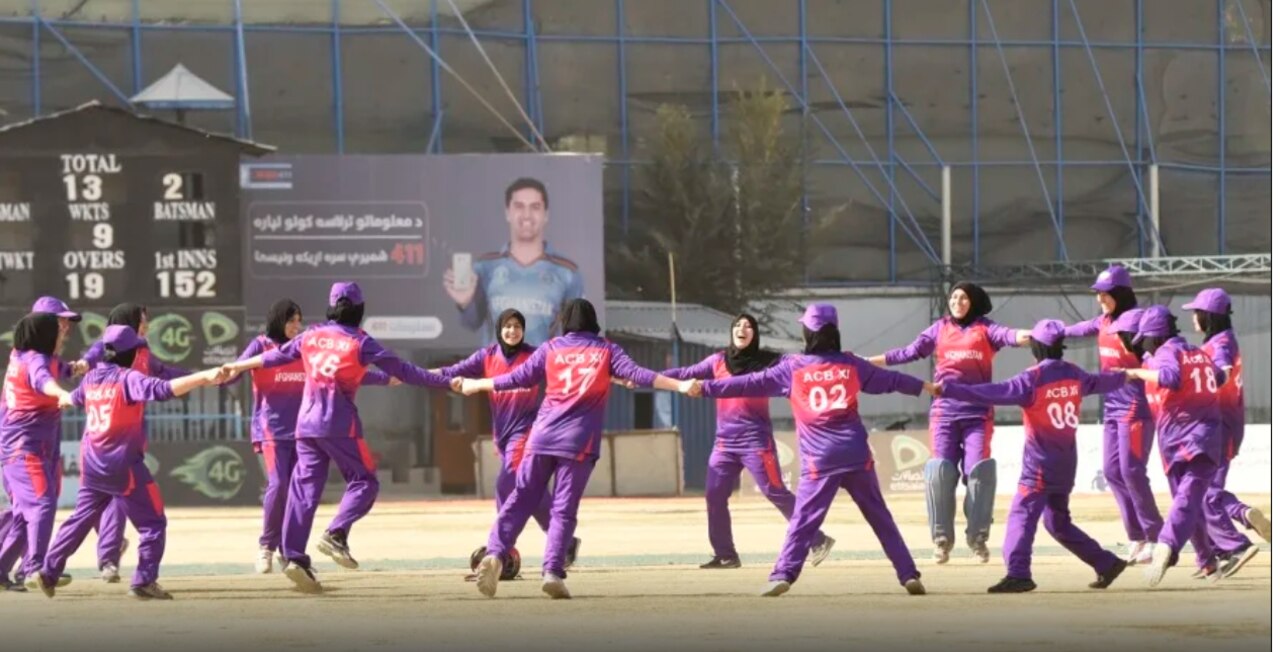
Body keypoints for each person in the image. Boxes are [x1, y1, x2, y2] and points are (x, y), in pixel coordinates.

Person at [218, 282, 453, 593]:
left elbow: (274, 358)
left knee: (303, 492)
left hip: (305, 427)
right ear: (359, 309)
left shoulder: (311, 335)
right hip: (338, 424)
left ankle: (295, 559)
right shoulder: (361, 342)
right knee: (365, 481)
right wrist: (445, 379)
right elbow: (407, 371)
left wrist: (237, 365)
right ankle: (336, 533)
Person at [688, 304, 930, 597]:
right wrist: (926, 386)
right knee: (880, 517)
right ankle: (907, 574)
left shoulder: (793, 367)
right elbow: (893, 380)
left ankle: (782, 575)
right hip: (856, 454)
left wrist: (706, 387)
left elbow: (747, 383)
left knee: (803, 521)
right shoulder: (851, 364)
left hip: (820, 460)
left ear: (808, 332)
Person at [460, 299, 688, 599]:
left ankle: (495, 553)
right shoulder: (606, 350)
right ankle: (552, 571)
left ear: (566, 322)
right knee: (563, 510)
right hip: (578, 442)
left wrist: (479, 385)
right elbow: (639, 375)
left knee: (520, 497)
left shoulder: (551, 348)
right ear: (594, 322)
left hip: (540, 437)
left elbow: (517, 377)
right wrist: (680, 386)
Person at [31, 325, 222, 599]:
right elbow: (165, 389)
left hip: (93, 465)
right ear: (131, 353)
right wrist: (204, 377)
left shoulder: (92, 378)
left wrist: (60, 397)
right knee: (153, 524)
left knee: (80, 518)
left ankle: (48, 572)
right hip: (123, 465)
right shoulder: (128, 378)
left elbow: (71, 399)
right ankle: (144, 580)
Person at [940, 319, 1130, 593]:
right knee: (1057, 522)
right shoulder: (1074, 374)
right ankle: (1105, 562)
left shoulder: (1032, 378)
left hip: (1039, 463)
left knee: (1021, 515)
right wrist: (1129, 375)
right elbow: (1103, 381)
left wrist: (948, 389)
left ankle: (1018, 573)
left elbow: (990, 392)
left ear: (1037, 348)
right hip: (1066, 463)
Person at [223, 298, 397, 574]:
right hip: (272, 430)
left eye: (299, 320)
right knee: (279, 484)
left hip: (304, 430)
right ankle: (266, 546)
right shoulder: (262, 345)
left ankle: (288, 554)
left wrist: (386, 379)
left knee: (298, 492)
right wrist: (226, 373)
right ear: (278, 320)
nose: (296, 325)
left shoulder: (307, 345)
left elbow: (345, 374)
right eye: (291, 320)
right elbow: (236, 371)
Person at [866, 282, 1028, 564]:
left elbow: (1014, 336)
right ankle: (941, 541)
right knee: (939, 473)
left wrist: (1039, 335)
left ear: (973, 302)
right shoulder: (939, 328)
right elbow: (909, 352)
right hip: (944, 411)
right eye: (953, 297)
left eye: (963, 297)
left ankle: (978, 539)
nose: (957, 301)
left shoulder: (986, 329)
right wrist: (869, 361)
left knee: (979, 473)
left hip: (978, 413)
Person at [662, 313, 835, 570]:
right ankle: (726, 555)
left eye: (748, 326)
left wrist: (830, 359)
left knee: (775, 492)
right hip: (723, 445)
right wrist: (645, 377)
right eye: (738, 325)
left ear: (755, 334)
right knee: (714, 496)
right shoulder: (717, 360)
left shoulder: (769, 361)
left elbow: (800, 362)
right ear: (732, 332)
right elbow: (684, 373)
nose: (742, 329)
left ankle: (818, 539)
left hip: (756, 442)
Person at [435, 308, 581, 576]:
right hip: (502, 436)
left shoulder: (536, 355)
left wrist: (614, 375)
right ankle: (565, 540)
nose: (512, 331)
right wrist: (412, 374)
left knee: (506, 484)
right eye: (508, 326)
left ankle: (502, 551)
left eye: (517, 326)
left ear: (523, 330)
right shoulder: (487, 356)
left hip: (527, 433)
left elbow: (569, 368)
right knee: (531, 490)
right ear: (499, 329)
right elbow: (451, 372)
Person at [77, 303, 190, 583]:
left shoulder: (143, 353)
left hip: (128, 439)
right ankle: (108, 550)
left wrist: (203, 378)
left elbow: (165, 375)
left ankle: (108, 559)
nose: (146, 326)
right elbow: (92, 355)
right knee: (92, 507)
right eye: (142, 321)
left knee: (118, 500)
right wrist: (81, 364)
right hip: (98, 438)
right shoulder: (109, 348)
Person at [1060, 264, 1162, 565]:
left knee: (1131, 470)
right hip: (1112, 407)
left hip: (1137, 407)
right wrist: (1051, 332)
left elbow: (1156, 353)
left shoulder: (1136, 321)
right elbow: (1078, 329)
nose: (1100, 299)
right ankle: (1137, 537)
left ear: (1119, 293)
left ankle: (1156, 536)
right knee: (1112, 472)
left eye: (1105, 294)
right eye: (1098, 294)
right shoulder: (1104, 321)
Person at [1124, 305, 1224, 588]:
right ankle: (1207, 562)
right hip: (1198, 436)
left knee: (1186, 498)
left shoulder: (1166, 353)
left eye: (1145, 339)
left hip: (1181, 438)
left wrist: (1136, 373)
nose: (1144, 345)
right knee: (1188, 502)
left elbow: (1170, 377)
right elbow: (1218, 378)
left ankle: (1167, 544)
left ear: (1156, 337)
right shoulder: (1198, 352)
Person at [1180, 289, 1265, 579]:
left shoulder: (1221, 344)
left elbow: (1223, 370)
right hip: (1220, 425)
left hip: (1220, 427)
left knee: (1205, 493)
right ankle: (1234, 526)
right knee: (1200, 491)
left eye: (1196, 312)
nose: (1193, 317)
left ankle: (1237, 546)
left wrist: (1208, 380)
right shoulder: (1218, 341)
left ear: (1209, 316)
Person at [442, 177, 585, 346]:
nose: (526, 215)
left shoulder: (567, 272)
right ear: (507, 213)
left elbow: (577, 338)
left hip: (541, 371)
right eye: (519, 206)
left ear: (546, 215)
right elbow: (471, 323)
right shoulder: (485, 267)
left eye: (535, 207)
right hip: (496, 371)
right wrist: (465, 302)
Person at [0, 313, 75, 594]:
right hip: (25, 449)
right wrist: (61, 394)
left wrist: (76, 369)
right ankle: (33, 568)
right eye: (59, 328)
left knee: (23, 514)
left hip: (23, 448)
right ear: (45, 334)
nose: (64, 333)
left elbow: (58, 368)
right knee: (42, 505)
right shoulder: (36, 361)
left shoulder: (20, 355)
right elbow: (44, 380)